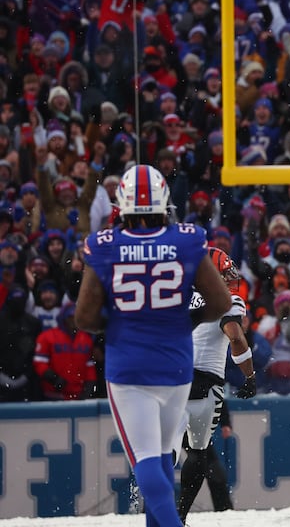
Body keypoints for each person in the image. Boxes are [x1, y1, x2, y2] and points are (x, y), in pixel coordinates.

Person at [75, 164, 232, 527]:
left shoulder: (105, 245)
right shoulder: (186, 240)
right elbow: (222, 302)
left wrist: (120, 323)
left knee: (145, 458)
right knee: (163, 457)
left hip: (129, 364)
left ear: (123, 204)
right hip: (176, 362)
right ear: (164, 203)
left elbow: (84, 317)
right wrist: (183, 319)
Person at [177, 247, 257, 523]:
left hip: (172, 380)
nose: (231, 278)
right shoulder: (230, 299)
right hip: (205, 385)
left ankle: (154, 509)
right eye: (225, 273)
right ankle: (179, 516)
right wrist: (250, 375)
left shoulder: (178, 296)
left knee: (166, 451)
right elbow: (235, 336)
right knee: (198, 455)